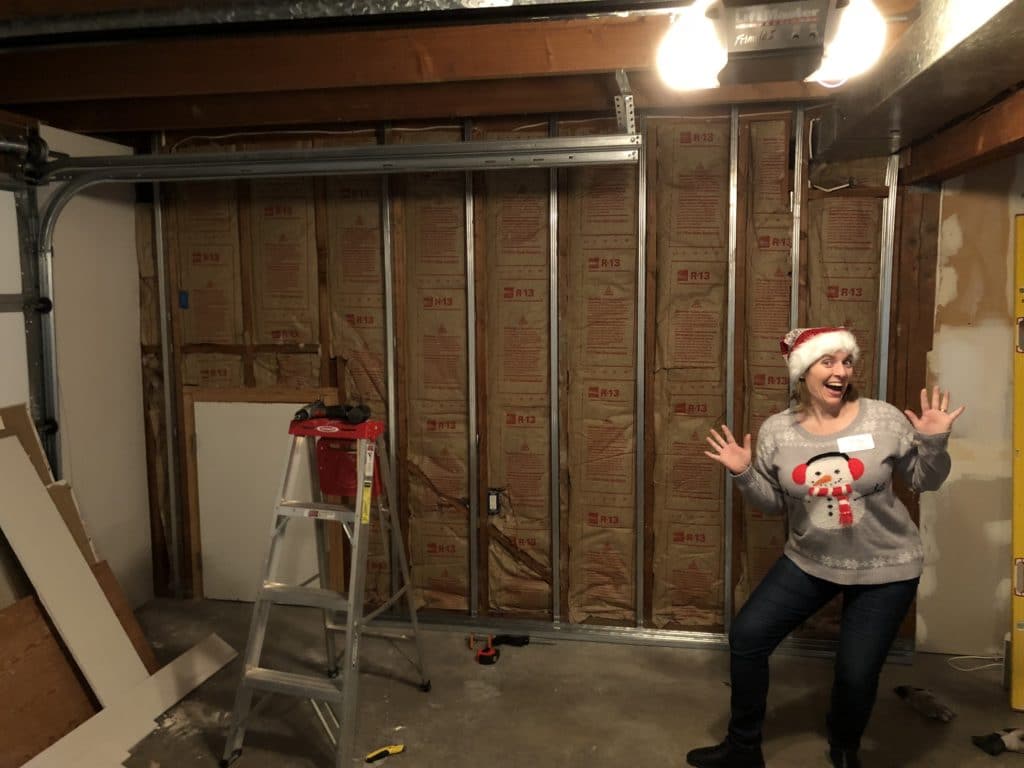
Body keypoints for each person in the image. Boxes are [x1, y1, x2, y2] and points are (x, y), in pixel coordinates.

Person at [687, 326, 965, 768]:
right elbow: (774, 503)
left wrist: (933, 442)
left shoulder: (883, 418)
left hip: (886, 567)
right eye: (828, 362)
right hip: (810, 560)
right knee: (747, 636)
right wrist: (744, 474)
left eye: (846, 361)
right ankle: (743, 747)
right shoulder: (778, 431)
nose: (840, 372)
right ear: (804, 372)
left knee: (856, 675)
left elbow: (923, 481)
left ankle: (844, 747)